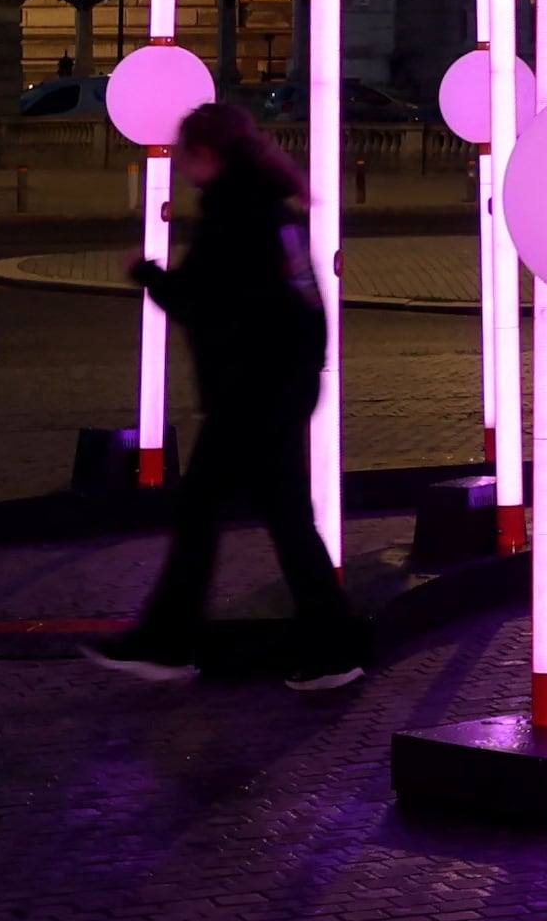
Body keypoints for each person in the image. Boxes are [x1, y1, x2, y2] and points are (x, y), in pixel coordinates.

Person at [90, 102, 373, 690]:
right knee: (283, 519)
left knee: (204, 516)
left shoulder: (231, 216)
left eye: (185, 152)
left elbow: (197, 302)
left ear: (206, 154)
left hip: (249, 395)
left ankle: (169, 644)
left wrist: (146, 274)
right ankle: (330, 648)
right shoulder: (275, 211)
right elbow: (307, 298)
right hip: (283, 387)